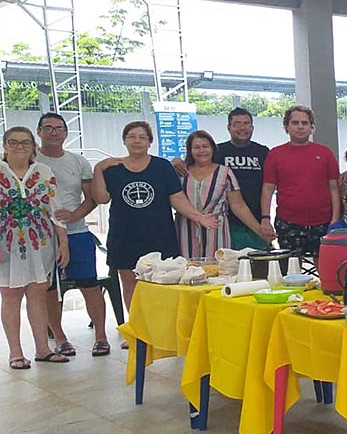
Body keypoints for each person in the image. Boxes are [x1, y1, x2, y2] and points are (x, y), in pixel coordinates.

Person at [92, 121, 218, 314]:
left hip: (159, 236)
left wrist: (199, 217)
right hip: (123, 237)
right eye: (132, 136)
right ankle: (136, 331)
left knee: (164, 282)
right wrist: (98, 169)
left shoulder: (162, 166)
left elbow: (176, 197)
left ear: (150, 142)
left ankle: (160, 331)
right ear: (124, 140)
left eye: (143, 137)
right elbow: (101, 198)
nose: (137, 141)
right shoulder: (112, 169)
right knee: (130, 284)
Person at [36, 113, 111, 358]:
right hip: (42, 236)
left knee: (89, 284)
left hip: (77, 233)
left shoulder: (78, 162)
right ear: (38, 132)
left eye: (59, 128)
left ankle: (101, 336)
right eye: (48, 128)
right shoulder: (31, 160)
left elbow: (92, 198)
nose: (54, 132)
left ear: (66, 133)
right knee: (48, 288)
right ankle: (59, 337)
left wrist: (75, 214)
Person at [1, 126, 70, 368]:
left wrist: (64, 242)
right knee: (10, 296)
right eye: (13, 142)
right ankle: (15, 352)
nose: (19, 146)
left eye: (25, 142)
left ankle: (43, 348)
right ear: (5, 145)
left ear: (33, 147)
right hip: (5, 246)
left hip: (40, 243)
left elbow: (56, 210)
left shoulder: (43, 172)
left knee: (38, 294)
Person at [174, 108, 273, 250]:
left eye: (247, 123)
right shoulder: (219, 151)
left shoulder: (262, 151)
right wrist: (175, 161)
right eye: (237, 124)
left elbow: (267, 187)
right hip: (223, 222)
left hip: (253, 217)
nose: (242, 128)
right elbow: (191, 166)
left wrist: (265, 219)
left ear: (252, 127)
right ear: (229, 127)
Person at [260, 105, 340, 256]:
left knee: (326, 268)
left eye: (305, 123)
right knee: (292, 270)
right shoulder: (275, 154)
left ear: (312, 128)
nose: (300, 127)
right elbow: (267, 188)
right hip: (288, 222)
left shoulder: (325, 153)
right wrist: (266, 218)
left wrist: (335, 219)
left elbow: (334, 188)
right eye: (295, 123)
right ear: (286, 127)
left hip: (322, 222)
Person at [179, 130, 261, 259]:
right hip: (186, 229)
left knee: (218, 270)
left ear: (212, 148)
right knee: (186, 270)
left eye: (205, 146)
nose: (202, 151)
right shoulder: (181, 172)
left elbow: (238, 205)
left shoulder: (225, 173)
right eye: (196, 147)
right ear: (190, 150)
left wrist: (259, 230)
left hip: (216, 230)